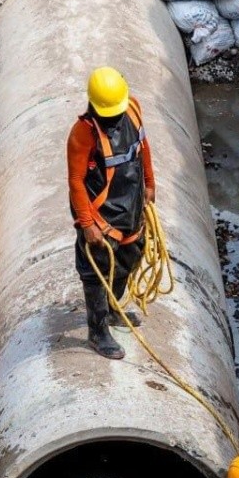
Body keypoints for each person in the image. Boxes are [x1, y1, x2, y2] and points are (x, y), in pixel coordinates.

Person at [66, 66, 156, 361]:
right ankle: (97, 330)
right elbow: (76, 180)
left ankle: (112, 306)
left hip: (130, 203)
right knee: (96, 272)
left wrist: (150, 184)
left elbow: (143, 147)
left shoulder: (132, 109)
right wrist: (87, 223)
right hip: (101, 214)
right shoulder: (83, 134)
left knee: (131, 257)